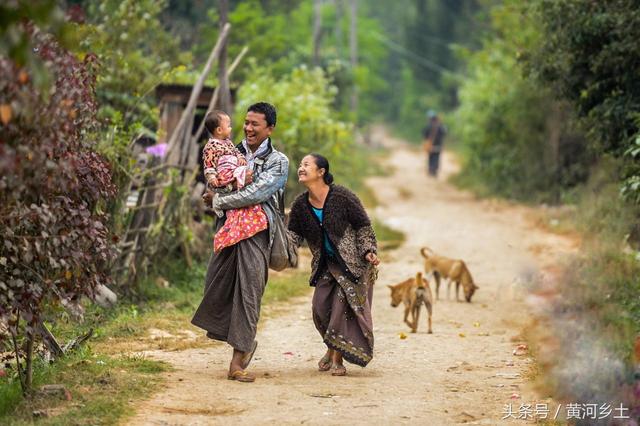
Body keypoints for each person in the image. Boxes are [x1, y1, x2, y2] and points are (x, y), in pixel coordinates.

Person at [192, 102, 289, 383]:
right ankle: (240, 342)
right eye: (245, 122)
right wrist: (216, 194)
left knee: (249, 292)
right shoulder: (227, 149)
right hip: (228, 230)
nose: (247, 128)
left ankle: (239, 358)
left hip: (257, 233)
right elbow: (211, 181)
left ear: (270, 128)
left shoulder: (278, 161)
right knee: (217, 284)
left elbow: (257, 193)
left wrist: (219, 199)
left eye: (255, 124)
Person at [287, 153, 380, 376]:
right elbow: (292, 237)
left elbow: (363, 227)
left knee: (341, 309)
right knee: (319, 309)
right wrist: (274, 249)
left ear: (321, 172)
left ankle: (338, 360)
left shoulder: (343, 197)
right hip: (326, 265)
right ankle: (331, 348)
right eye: (300, 165)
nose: (301, 168)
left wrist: (368, 251)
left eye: (306, 165)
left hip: (353, 264)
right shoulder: (300, 205)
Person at [201, 110, 267, 252]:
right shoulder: (211, 146)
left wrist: (240, 158)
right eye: (229, 125)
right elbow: (209, 163)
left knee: (248, 175)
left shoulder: (229, 143)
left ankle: (240, 220)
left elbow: (236, 153)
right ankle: (229, 229)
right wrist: (212, 176)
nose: (231, 128)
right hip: (224, 175)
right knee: (242, 180)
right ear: (219, 130)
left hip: (234, 172)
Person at [422, 110, 447, 177]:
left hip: (430, 146)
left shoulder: (428, 126)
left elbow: (424, 134)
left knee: (431, 158)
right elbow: (444, 133)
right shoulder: (440, 126)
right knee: (436, 158)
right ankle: (434, 170)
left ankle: (431, 169)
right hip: (438, 146)